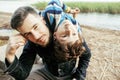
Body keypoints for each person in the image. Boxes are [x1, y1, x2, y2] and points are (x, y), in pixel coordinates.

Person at [5, 0, 91, 80]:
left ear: (42, 19)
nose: (36, 36)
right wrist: (10, 54)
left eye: (36, 27)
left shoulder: (66, 31)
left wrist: (79, 75)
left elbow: (86, 55)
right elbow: (23, 74)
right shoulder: (31, 43)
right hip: (47, 73)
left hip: (70, 74)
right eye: (28, 34)